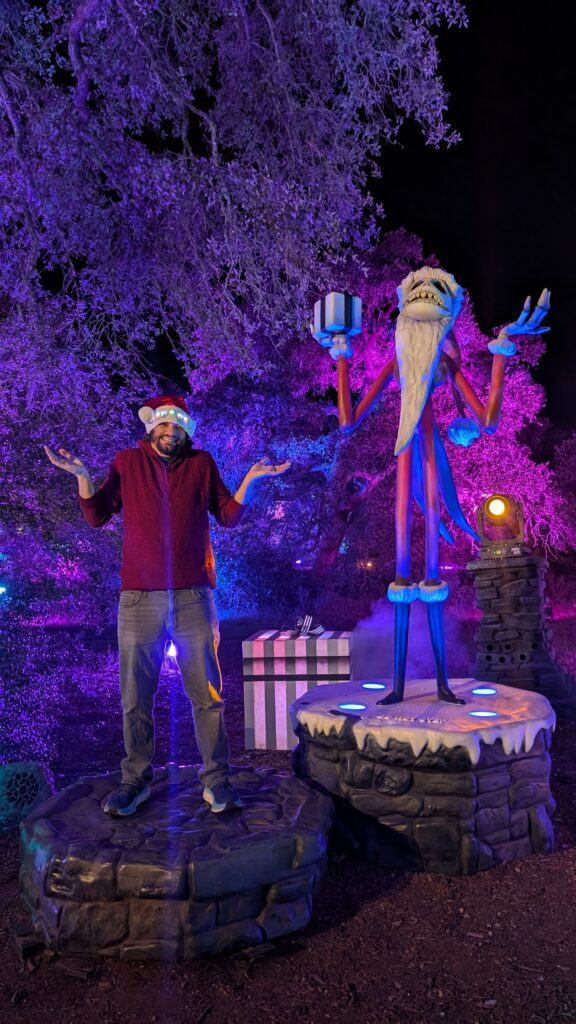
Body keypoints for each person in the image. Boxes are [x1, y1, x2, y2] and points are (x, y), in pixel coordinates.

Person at [44, 394, 289, 816]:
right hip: (138, 598)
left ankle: (216, 780)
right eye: (163, 425)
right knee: (135, 697)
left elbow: (228, 516)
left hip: (194, 596)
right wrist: (83, 476)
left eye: (177, 427)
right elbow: (96, 515)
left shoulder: (201, 464)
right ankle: (134, 780)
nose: (169, 432)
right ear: (150, 428)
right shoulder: (126, 462)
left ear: (186, 432)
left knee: (208, 696)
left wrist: (251, 478)